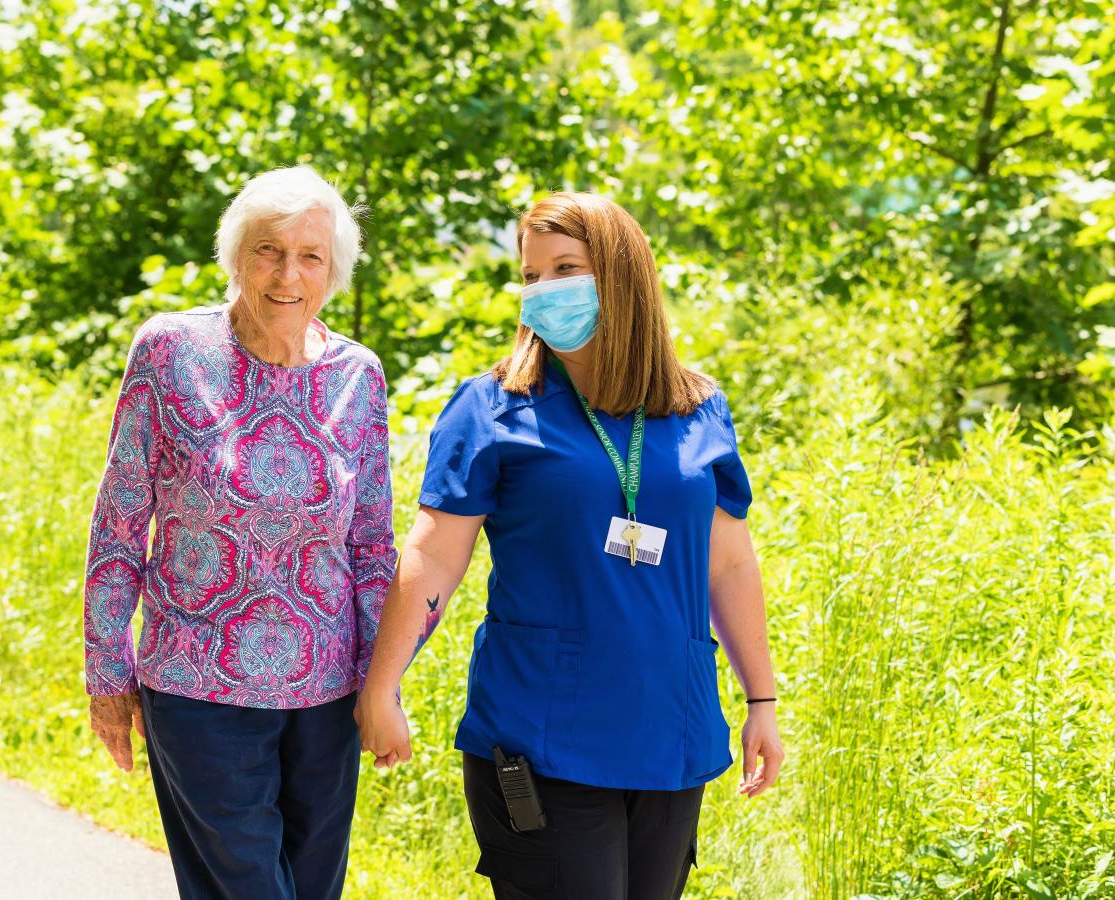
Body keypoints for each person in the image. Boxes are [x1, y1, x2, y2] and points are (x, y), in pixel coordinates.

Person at [356, 192, 784, 899]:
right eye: (531, 275)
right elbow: (434, 555)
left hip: (669, 734)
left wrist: (761, 700)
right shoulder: (491, 407)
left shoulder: (697, 408)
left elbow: (729, 562)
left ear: (622, 276)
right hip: (543, 738)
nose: (544, 290)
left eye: (565, 268)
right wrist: (382, 687)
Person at [82, 165, 397, 900]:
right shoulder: (168, 351)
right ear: (235, 256)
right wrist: (107, 670)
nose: (289, 273)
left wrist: (381, 684)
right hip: (198, 687)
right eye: (268, 250)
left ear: (334, 271)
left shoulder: (360, 375)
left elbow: (374, 547)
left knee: (312, 889)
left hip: (326, 694)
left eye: (310, 256)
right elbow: (121, 522)